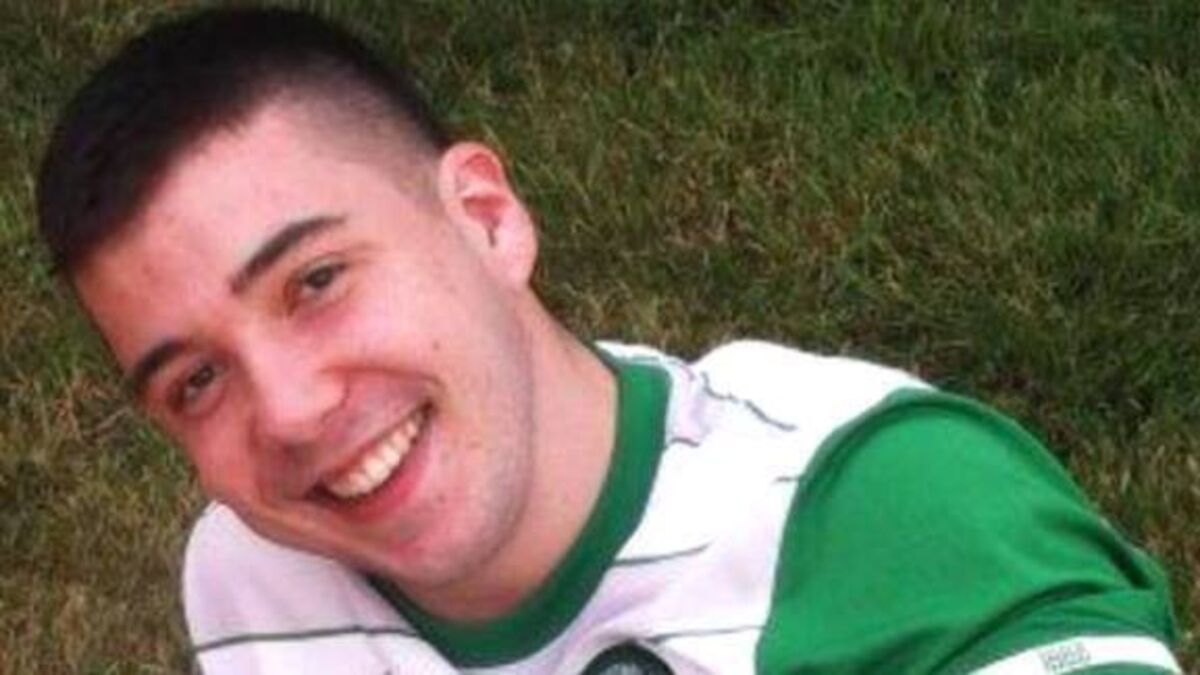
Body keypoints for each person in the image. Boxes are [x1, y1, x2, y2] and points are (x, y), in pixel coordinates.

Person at [36, 7, 1180, 675]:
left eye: (317, 281)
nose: (287, 411)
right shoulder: (252, 579)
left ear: (487, 219)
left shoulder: (884, 511)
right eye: (196, 381)